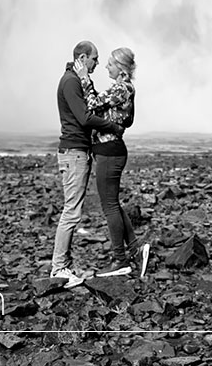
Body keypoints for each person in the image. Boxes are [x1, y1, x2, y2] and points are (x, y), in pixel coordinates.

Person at [51, 40, 124, 288]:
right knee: (71, 211)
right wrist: (112, 127)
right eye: (94, 58)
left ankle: (64, 265)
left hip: (76, 151)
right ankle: (59, 268)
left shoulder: (73, 79)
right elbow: (84, 117)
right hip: (73, 152)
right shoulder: (71, 81)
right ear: (82, 58)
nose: (97, 63)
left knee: (73, 209)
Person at [83, 46, 149, 278]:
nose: (105, 67)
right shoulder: (125, 89)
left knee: (109, 206)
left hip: (109, 152)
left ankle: (120, 260)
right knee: (114, 204)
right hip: (111, 150)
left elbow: (91, 103)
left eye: (110, 64)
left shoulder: (120, 89)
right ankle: (135, 250)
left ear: (121, 70)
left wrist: (83, 78)